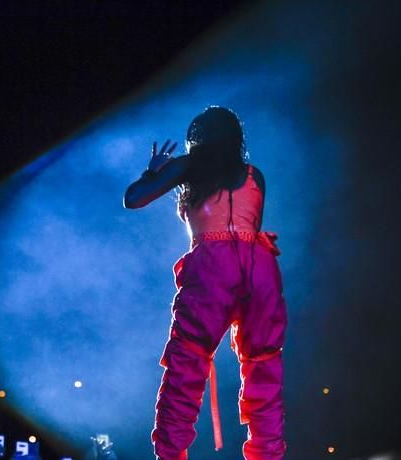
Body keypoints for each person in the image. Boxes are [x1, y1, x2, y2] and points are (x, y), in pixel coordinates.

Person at [124, 106, 287, 460]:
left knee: (187, 363)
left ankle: (171, 454)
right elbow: (248, 223)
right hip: (259, 268)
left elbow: (133, 199)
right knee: (263, 366)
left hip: (213, 268)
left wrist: (152, 173)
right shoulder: (253, 174)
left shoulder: (189, 167)